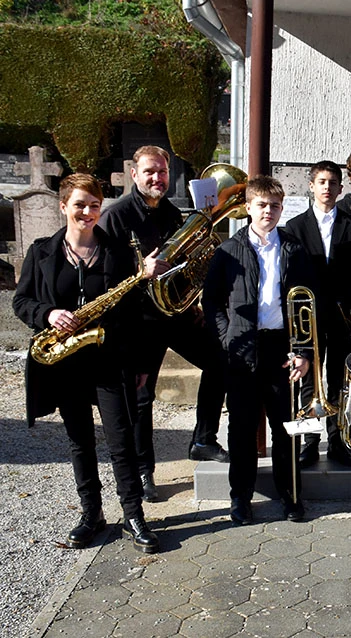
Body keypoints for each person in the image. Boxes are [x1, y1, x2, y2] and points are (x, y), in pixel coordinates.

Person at [13, 174, 159, 554]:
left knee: (121, 441)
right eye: (79, 204)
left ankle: (133, 515)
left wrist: (141, 360)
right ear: (63, 206)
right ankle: (91, 513)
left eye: (94, 205)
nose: (88, 212)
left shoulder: (116, 252)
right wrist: (48, 314)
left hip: (109, 360)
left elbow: (136, 311)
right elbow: (21, 301)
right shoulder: (41, 252)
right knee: (80, 442)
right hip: (65, 362)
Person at [100, 145, 228, 503]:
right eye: (150, 172)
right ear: (135, 175)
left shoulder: (173, 213)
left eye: (162, 172)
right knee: (142, 398)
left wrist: (197, 297)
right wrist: (140, 273)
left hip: (177, 314)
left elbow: (188, 264)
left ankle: (203, 439)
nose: (157, 178)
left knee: (221, 361)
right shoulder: (117, 217)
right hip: (140, 320)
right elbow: (108, 279)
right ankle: (144, 472)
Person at [202, 175, 316, 525]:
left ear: (282, 209)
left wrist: (304, 352)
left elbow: (306, 307)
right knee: (241, 428)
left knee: (285, 427)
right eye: (262, 205)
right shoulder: (227, 250)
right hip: (242, 350)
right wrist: (227, 337)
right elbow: (211, 302)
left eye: (275, 206)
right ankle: (241, 498)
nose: (269, 211)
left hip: (282, 348)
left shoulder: (294, 249)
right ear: (248, 208)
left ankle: (290, 495)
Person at [285, 160, 351, 468]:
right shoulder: (294, 227)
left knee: (338, 380)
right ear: (311, 185)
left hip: (341, 316)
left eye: (333, 182)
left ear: (341, 188)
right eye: (322, 182)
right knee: (307, 379)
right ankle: (309, 442)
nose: (327, 188)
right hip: (307, 316)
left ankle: (337, 441)